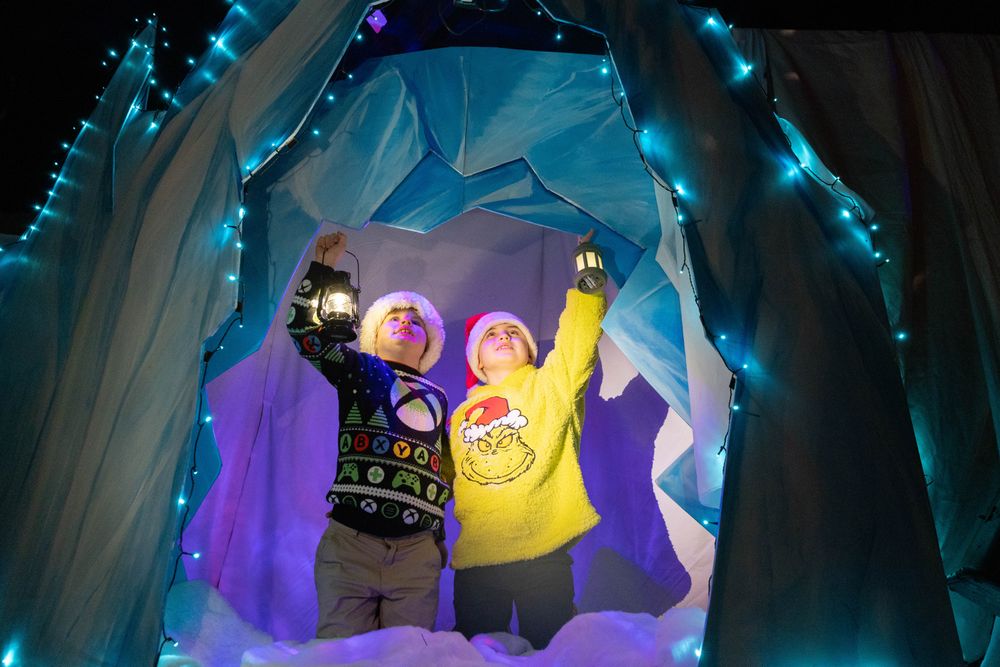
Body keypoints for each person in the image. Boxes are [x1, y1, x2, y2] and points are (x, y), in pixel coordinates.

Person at [286, 231, 452, 639]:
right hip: (352, 543)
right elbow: (303, 333)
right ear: (373, 335)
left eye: (416, 321)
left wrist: (437, 538)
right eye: (394, 318)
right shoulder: (360, 369)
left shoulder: (438, 396)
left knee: (407, 654)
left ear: (430, 342)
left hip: (416, 552)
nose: (405, 323)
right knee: (340, 653)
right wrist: (324, 268)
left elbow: (442, 472)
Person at [448, 233, 607, 649]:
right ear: (477, 361)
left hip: (543, 550)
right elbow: (445, 474)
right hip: (479, 557)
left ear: (531, 353)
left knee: (551, 649)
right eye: (491, 335)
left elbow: (576, 342)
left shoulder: (551, 384)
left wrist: (586, 287)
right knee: (477, 654)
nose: (503, 337)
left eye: (513, 332)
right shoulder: (459, 415)